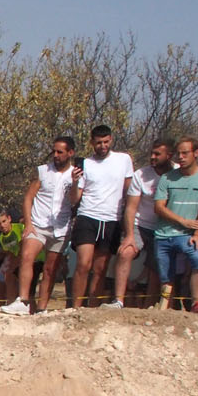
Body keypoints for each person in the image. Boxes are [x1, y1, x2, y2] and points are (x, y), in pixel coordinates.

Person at [2, 136, 83, 315]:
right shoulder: (42, 171)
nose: (55, 155)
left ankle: (42, 307)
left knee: (50, 269)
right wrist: (29, 223)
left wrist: (76, 182)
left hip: (61, 227)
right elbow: (28, 197)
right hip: (38, 224)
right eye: (54, 151)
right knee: (27, 256)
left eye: (60, 152)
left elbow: (75, 201)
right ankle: (22, 301)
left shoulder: (76, 175)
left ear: (70, 153)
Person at [68, 126, 134, 308]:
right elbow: (75, 199)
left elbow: (129, 190)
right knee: (83, 263)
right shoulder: (85, 164)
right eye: (98, 143)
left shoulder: (124, 159)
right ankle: (75, 307)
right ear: (92, 143)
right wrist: (74, 182)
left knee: (100, 268)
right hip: (87, 215)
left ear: (111, 140)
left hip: (112, 218)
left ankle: (93, 308)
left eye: (106, 142)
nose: (102, 146)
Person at [152, 137, 198, 313]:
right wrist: (182, 221)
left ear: (196, 153)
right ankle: (167, 308)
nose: (181, 157)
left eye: (185, 153)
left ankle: (197, 303)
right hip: (163, 234)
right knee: (166, 276)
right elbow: (159, 207)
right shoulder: (167, 178)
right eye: (178, 153)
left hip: (188, 235)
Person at [111, 140, 175, 309]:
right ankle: (118, 300)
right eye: (151, 153)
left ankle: (150, 305)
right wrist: (130, 235)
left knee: (157, 264)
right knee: (125, 253)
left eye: (157, 154)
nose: (152, 157)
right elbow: (131, 207)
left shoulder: (178, 174)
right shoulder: (141, 174)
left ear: (169, 156)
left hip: (163, 227)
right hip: (140, 224)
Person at [0, 210, 24, 305]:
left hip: (26, 259)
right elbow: (10, 252)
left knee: (10, 275)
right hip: (12, 260)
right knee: (2, 280)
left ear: (9, 219)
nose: (2, 225)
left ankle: (12, 302)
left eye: (4, 221)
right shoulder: (2, 237)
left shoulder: (19, 228)